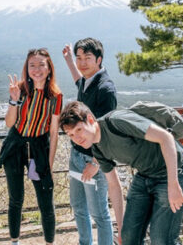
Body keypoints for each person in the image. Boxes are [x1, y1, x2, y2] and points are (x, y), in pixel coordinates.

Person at [59, 101, 183, 244]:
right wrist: (121, 227)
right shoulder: (97, 149)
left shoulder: (116, 122)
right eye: (71, 135)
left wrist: (173, 183)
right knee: (128, 237)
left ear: (90, 120)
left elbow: (166, 137)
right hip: (145, 174)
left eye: (79, 130)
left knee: (161, 239)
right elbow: (113, 185)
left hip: (174, 170)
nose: (76, 138)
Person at [0, 48, 63, 245]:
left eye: (41, 64)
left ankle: (49, 242)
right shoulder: (20, 89)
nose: (36, 69)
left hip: (38, 149)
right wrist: (13, 100)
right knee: (15, 199)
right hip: (15, 146)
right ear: (27, 68)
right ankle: (15, 241)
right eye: (32, 65)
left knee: (45, 201)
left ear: (49, 68)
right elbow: (10, 123)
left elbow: (53, 133)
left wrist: (49, 165)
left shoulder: (55, 96)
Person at [62, 38, 116, 245]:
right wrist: (69, 60)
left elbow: (106, 132)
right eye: (79, 58)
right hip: (76, 155)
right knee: (78, 206)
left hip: (94, 159)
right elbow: (79, 80)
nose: (82, 63)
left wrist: (95, 163)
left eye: (88, 58)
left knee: (99, 212)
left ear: (99, 59)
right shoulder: (88, 80)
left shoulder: (105, 89)